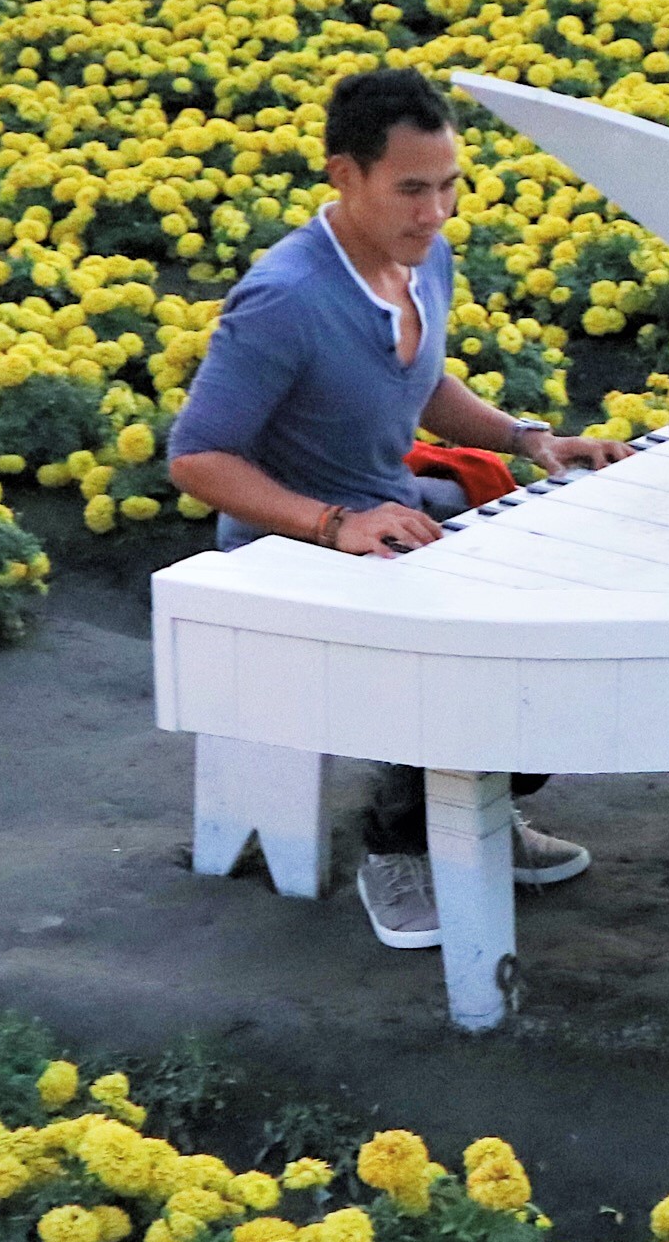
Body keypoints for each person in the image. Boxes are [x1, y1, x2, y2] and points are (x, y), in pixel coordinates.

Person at [166, 66, 628, 950]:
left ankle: (472, 810)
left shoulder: (424, 259)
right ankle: (399, 836)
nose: (436, 211)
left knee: (565, 624)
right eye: (411, 188)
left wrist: (529, 438)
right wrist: (333, 526)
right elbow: (195, 456)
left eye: (449, 185)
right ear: (344, 175)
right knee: (493, 652)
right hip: (287, 554)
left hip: (392, 525)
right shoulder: (285, 299)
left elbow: (416, 388)